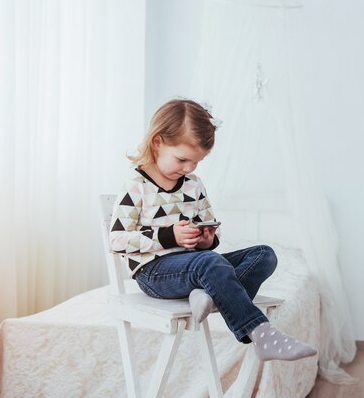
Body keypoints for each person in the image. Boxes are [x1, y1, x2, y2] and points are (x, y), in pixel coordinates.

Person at [109, 99, 316, 362]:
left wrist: (207, 240)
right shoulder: (136, 184)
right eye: (182, 159)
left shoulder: (193, 185)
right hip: (155, 272)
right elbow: (116, 239)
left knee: (265, 254)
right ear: (157, 142)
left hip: (195, 265)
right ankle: (260, 333)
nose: (188, 168)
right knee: (209, 262)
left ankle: (208, 294)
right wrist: (170, 235)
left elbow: (208, 229)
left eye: (196, 162)